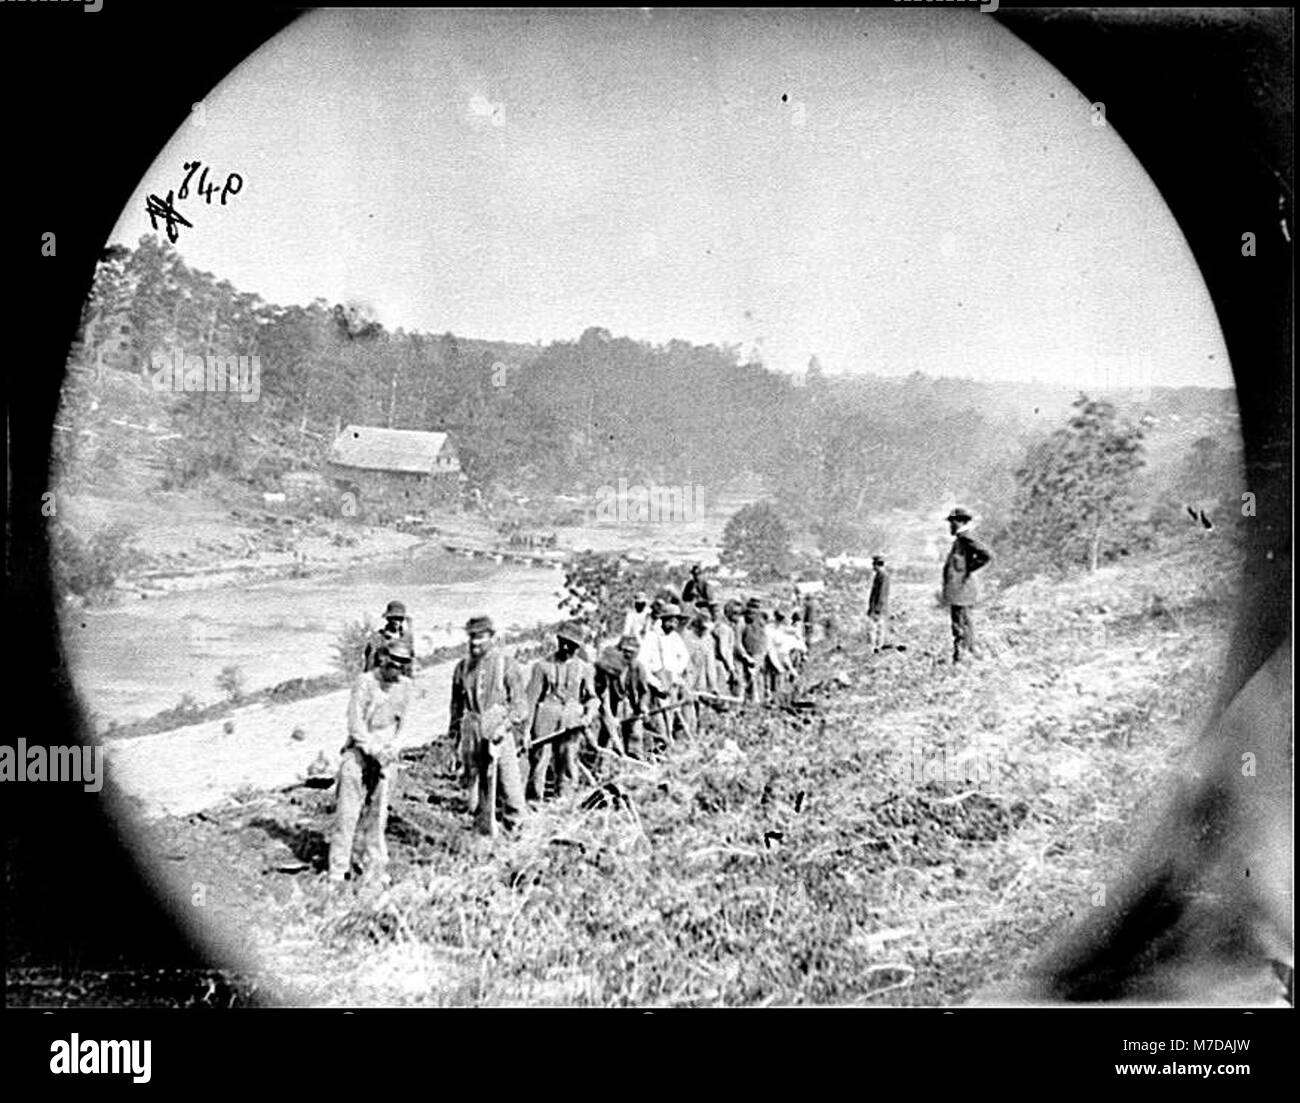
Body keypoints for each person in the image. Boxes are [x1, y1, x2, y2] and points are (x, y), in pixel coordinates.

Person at [329, 640, 414, 883]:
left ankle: (374, 868)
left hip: (386, 757)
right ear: (383, 657)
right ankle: (337, 870)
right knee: (347, 814)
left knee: (378, 816)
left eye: (402, 664)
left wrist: (394, 747)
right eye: (393, 661)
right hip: (359, 753)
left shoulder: (405, 687)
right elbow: (355, 723)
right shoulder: (365, 682)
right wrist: (371, 748)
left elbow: (403, 724)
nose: (396, 668)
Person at [447, 614, 529, 835]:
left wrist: (504, 727)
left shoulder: (506, 664)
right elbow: (455, 708)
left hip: (499, 731)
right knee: (476, 795)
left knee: (509, 786)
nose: (475, 642)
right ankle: (483, 831)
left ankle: (517, 831)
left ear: (492, 637)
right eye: (472, 637)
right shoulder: (462, 668)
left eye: (481, 637)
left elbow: (521, 706)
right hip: (472, 731)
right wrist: (454, 741)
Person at [525, 622, 599, 801]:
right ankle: (536, 802)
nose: (566, 648)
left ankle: (563, 802)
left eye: (572, 645)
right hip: (544, 724)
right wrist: (527, 731)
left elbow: (593, 698)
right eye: (563, 642)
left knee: (567, 762)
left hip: (571, 723)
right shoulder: (541, 666)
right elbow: (531, 701)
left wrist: (589, 714)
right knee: (540, 763)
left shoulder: (585, 668)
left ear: (578, 646)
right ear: (558, 640)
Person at [942, 508, 994, 663]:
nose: (950, 526)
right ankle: (963, 656)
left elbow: (986, 555)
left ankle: (965, 657)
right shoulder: (960, 539)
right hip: (959, 590)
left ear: (960, 522)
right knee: (960, 623)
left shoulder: (965, 537)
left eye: (952, 523)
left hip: (962, 589)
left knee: (962, 624)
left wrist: (969, 569)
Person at [638, 601, 692, 745]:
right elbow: (642, 663)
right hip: (655, 684)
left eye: (676, 621)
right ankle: (655, 752)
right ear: (663, 620)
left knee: (672, 716)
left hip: (671, 682)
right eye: (671, 621)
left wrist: (675, 673)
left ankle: (673, 748)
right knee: (658, 723)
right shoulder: (651, 637)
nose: (673, 625)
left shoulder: (675, 638)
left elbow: (684, 657)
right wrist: (655, 683)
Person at [594, 633, 652, 761]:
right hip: (613, 706)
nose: (628, 655)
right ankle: (600, 763)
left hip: (631, 708)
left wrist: (643, 706)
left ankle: (636, 762)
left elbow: (645, 691)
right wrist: (609, 716)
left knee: (635, 736)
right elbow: (604, 695)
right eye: (625, 651)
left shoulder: (638, 668)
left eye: (632, 652)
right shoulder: (610, 667)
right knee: (606, 735)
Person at [683, 610, 720, 733]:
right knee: (687, 704)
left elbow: (710, 663)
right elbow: (683, 661)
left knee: (701, 702)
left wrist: (713, 685)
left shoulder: (708, 639)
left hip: (700, 675)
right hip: (686, 675)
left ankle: (699, 731)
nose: (705, 631)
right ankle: (687, 732)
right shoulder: (687, 637)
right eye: (703, 628)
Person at [362, 599, 416, 673]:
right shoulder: (377, 638)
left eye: (399, 618)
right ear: (388, 619)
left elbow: (411, 661)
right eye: (393, 618)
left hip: (402, 680)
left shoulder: (406, 639)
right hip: (381, 679)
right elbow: (369, 664)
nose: (396, 621)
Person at [738, 598, 769, 704]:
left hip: (759, 651)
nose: (753, 611)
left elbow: (764, 635)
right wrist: (745, 654)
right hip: (749, 652)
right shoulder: (743, 621)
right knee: (750, 676)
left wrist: (765, 650)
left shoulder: (761, 620)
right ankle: (751, 699)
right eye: (751, 608)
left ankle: (757, 699)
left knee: (757, 676)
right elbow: (739, 640)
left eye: (756, 608)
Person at [709, 599, 737, 703]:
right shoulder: (723, 628)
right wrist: (731, 668)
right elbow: (723, 650)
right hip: (719, 662)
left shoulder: (715, 626)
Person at [867, 555, 891, 654]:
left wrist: (876, 608)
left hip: (878, 607)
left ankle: (876, 647)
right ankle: (878, 646)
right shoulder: (881, 575)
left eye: (874, 564)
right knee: (878, 627)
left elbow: (881, 594)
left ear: (877, 564)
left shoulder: (882, 576)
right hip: (878, 606)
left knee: (875, 627)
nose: (873, 567)